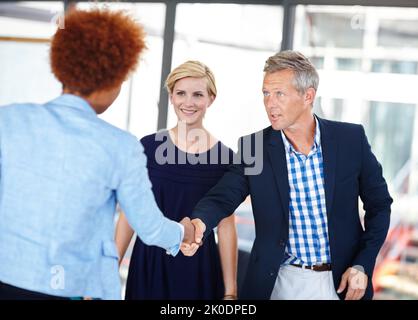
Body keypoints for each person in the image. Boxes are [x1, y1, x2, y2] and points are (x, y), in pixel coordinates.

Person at [0, 8, 194, 300]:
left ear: (61, 66)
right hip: (69, 286)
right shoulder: (120, 146)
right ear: (111, 80)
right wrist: (183, 233)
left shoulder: (9, 120)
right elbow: (149, 227)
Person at [183, 50, 393, 300]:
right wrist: (199, 223)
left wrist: (363, 263)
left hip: (340, 283)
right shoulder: (255, 147)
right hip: (278, 284)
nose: (270, 103)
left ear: (308, 96)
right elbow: (223, 197)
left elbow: (380, 206)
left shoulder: (350, 140)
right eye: (266, 93)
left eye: (279, 94)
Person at [116, 60, 238, 300]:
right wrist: (111, 267)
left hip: (199, 269)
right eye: (181, 93)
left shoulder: (226, 159)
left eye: (198, 94)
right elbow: (130, 213)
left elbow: (226, 227)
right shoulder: (149, 147)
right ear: (171, 97)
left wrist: (231, 292)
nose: (188, 102)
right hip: (149, 263)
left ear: (211, 98)